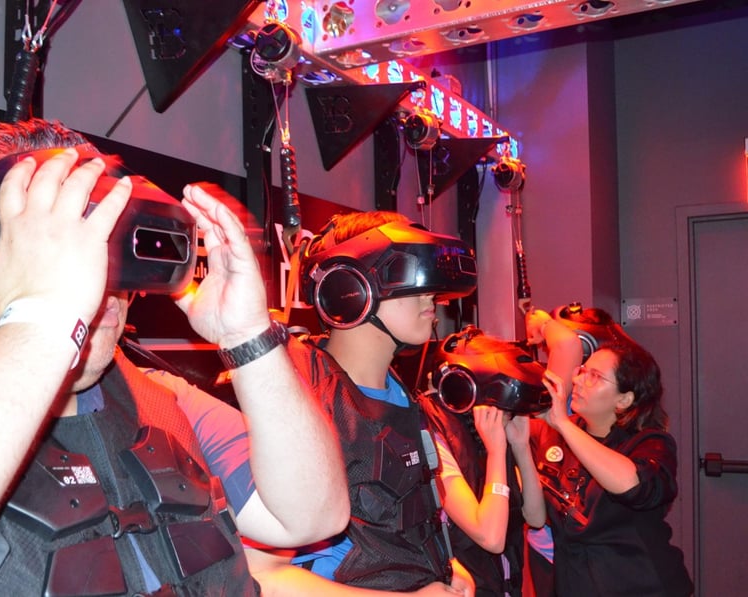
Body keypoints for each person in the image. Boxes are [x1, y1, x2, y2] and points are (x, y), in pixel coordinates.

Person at [0, 119, 349, 596]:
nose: (99, 278)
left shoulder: (163, 402)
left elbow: (312, 516)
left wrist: (249, 337)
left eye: (109, 242)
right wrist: (43, 317)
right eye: (68, 244)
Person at [247, 211, 542, 596]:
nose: (431, 299)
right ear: (348, 288)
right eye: (408, 278)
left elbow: (395, 521)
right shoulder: (303, 396)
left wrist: (446, 567)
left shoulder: (400, 395)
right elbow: (264, 576)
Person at [530, 339, 694, 596]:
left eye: (595, 376)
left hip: (640, 586)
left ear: (624, 399)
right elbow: (535, 515)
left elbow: (631, 484)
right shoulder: (559, 437)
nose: (579, 381)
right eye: (583, 371)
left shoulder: (650, 443)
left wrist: (562, 423)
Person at [420, 327, 549, 596]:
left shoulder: (491, 436)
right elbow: (490, 536)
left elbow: (535, 517)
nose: (507, 411)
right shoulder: (435, 435)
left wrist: (521, 447)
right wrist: (496, 451)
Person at [521, 304, 625, 595]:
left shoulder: (571, 399)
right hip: (558, 545)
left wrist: (541, 323)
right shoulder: (595, 401)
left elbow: (566, 345)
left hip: (561, 551)